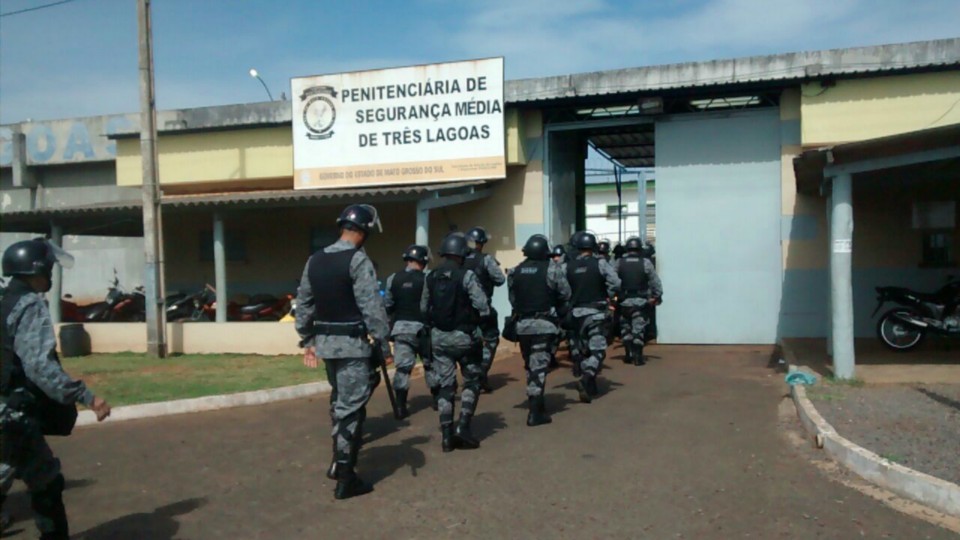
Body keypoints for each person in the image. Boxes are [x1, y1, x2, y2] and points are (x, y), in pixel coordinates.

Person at [1, 238, 112, 539]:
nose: (50, 273)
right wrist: (86, 396)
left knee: (27, 473)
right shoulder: (29, 306)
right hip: (11, 414)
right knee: (41, 479)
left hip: (8, 412)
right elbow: (40, 367)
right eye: (47, 268)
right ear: (36, 270)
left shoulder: (3, 302)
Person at [295, 204, 393, 500]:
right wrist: (383, 342)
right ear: (364, 231)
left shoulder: (315, 260)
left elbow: (304, 304)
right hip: (352, 348)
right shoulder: (358, 260)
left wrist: (307, 338)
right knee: (350, 410)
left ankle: (338, 463)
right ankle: (346, 479)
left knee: (339, 403)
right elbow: (371, 307)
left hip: (327, 346)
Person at [426, 233, 491, 452]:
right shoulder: (466, 275)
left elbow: (424, 308)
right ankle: (463, 426)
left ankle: (446, 435)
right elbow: (482, 305)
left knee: (446, 386)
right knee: (471, 381)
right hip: (464, 338)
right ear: (462, 254)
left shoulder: (431, 276)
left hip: (439, 339)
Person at [507, 235, 571, 426]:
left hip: (522, 326)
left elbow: (513, 299)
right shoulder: (552, 268)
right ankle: (535, 413)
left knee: (531, 364)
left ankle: (537, 403)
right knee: (538, 366)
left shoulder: (515, 271)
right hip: (544, 325)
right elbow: (565, 293)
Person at [566, 231, 621, 403]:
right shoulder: (601, 263)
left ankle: (590, 386)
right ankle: (586, 378)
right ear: (593, 247)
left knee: (584, 351)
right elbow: (616, 283)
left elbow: (561, 288)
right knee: (597, 351)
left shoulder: (568, 266)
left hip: (576, 315)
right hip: (596, 314)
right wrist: (608, 294)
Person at [383, 244, 436, 418]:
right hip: (423, 330)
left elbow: (387, 305)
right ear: (423, 261)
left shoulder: (393, 278)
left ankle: (400, 406)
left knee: (403, 368)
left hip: (401, 330)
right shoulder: (428, 278)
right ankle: (438, 400)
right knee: (430, 365)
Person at [463, 226, 506, 393]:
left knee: (467, 342)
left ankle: (471, 375)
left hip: (462, 310)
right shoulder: (486, 259)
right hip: (483, 309)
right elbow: (500, 279)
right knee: (491, 339)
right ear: (481, 243)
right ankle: (480, 372)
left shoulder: (459, 259)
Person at [615, 237, 663, 365]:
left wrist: (612, 296)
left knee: (625, 328)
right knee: (638, 329)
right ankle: (638, 356)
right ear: (640, 249)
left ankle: (628, 354)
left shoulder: (619, 262)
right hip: (640, 302)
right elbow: (655, 281)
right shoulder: (645, 263)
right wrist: (657, 296)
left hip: (624, 301)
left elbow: (612, 281)